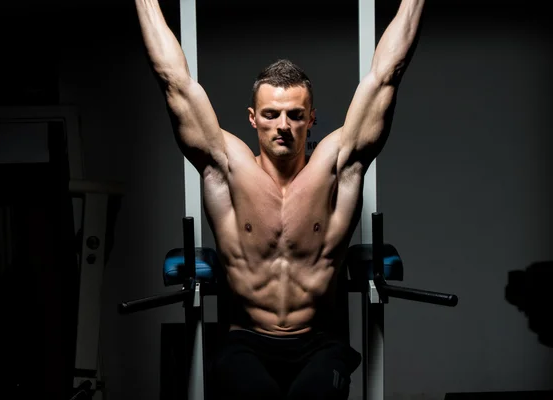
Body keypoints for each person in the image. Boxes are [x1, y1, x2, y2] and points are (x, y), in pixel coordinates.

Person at [134, 0, 425, 398]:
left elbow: (386, 75)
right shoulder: (227, 166)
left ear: (312, 117)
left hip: (320, 341)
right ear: (253, 117)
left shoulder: (337, 167)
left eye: (294, 114)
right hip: (246, 342)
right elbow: (173, 79)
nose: (283, 126)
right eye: (271, 114)